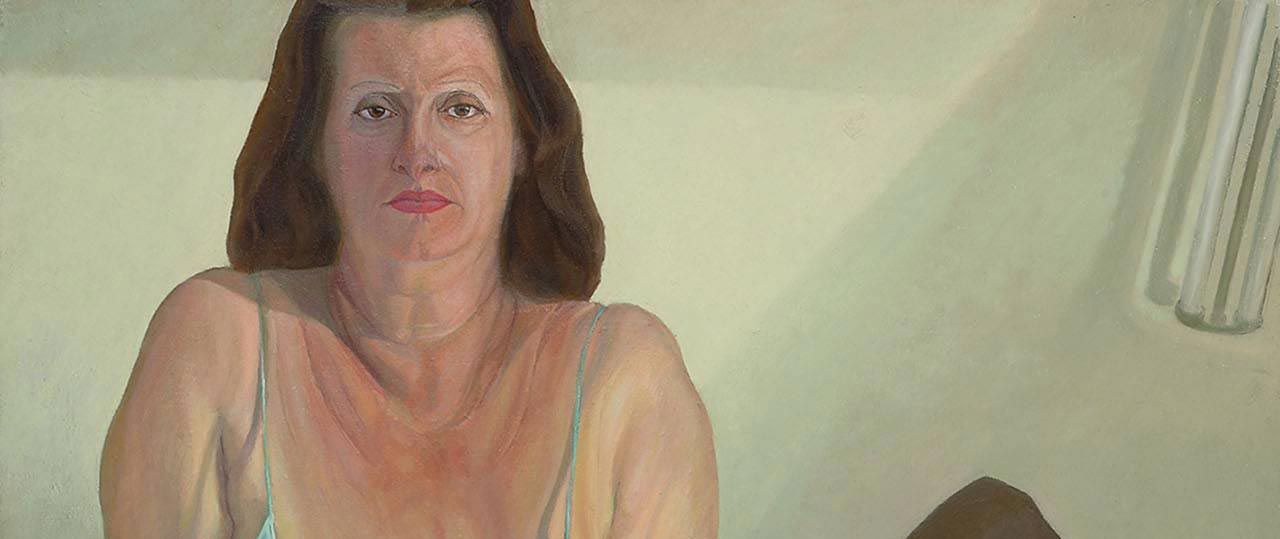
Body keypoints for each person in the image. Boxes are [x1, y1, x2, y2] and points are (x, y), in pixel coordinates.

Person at [98, 1, 718, 536]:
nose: (417, 153)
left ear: (523, 143)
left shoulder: (625, 379)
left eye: (460, 109)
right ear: (313, 143)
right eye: (375, 110)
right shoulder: (215, 343)